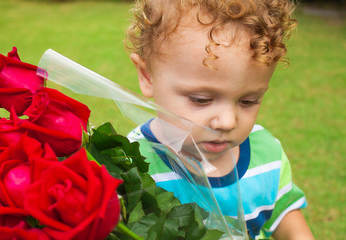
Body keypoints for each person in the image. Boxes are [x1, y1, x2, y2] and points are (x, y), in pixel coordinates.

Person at [125, 0, 314, 239]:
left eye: (248, 101)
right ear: (147, 77)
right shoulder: (132, 166)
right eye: (201, 99)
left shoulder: (265, 155)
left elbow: (287, 221)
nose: (226, 122)